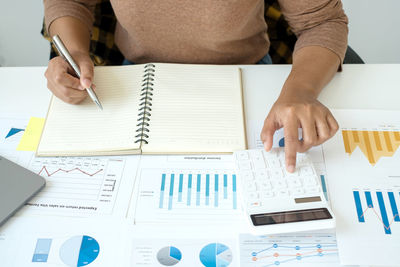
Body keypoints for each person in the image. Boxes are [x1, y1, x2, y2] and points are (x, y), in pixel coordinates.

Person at [43, 0, 348, 172]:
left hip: (248, 81)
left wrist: (301, 91)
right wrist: (74, 51)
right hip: (133, 83)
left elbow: (321, 22)